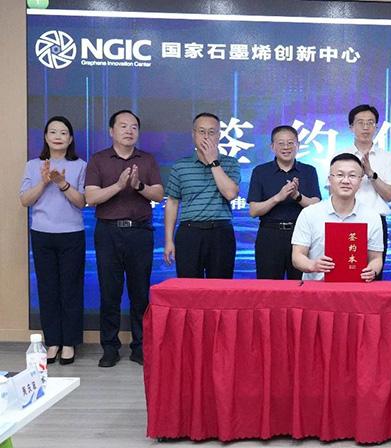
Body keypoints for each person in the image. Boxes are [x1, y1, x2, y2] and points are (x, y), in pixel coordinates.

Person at [85, 110, 164, 367]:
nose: (129, 131)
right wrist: (119, 186)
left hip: (139, 232)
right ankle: (110, 347)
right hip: (108, 232)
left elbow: (158, 194)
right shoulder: (98, 159)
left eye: (133, 127)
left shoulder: (147, 160)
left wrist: (138, 185)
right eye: (123, 126)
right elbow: (91, 197)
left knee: (140, 293)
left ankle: (140, 347)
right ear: (111, 131)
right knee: (110, 292)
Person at [19, 116, 87, 365]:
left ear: (70, 139)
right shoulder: (33, 165)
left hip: (72, 234)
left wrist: (62, 183)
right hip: (42, 233)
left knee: (70, 289)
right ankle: (53, 342)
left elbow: (82, 202)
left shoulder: (80, 165)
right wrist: (45, 181)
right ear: (46, 137)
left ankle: (69, 342)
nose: (58, 136)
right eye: (53, 132)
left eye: (63, 132)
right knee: (47, 289)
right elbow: (25, 200)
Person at [163, 113, 240, 279]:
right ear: (193, 134)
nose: (206, 137)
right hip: (189, 233)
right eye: (201, 131)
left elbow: (230, 194)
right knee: (188, 287)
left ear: (219, 135)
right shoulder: (180, 166)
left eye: (211, 132)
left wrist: (213, 162)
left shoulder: (230, 163)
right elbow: (172, 203)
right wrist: (169, 240)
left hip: (221, 232)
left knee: (220, 287)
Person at [291, 153, 383, 281]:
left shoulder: (372, 217)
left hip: (356, 288)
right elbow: (297, 256)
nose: (346, 181)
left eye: (352, 176)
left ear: (360, 181)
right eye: (340, 175)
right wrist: (312, 265)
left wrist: (372, 270)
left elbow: (376, 258)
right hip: (316, 288)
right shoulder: (310, 213)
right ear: (330, 179)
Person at [247, 125, 321, 279]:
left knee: (301, 285)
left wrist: (297, 196)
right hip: (270, 235)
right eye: (281, 143)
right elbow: (253, 211)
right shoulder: (260, 171)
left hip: (301, 236)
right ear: (272, 147)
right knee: (268, 287)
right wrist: (278, 198)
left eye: (290, 143)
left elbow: (316, 206)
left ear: (298, 146)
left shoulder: (309, 171)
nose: (286, 147)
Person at [344, 104, 391, 279]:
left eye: (370, 123)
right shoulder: (341, 156)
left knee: (373, 276)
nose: (366, 127)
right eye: (360, 123)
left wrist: (370, 174)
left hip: (376, 221)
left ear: (376, 127)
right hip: (346, 221)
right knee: (344, 273)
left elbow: (389, 195)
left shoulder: (386, 157)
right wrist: (355, 176)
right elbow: (333, 193)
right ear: (351, 127)